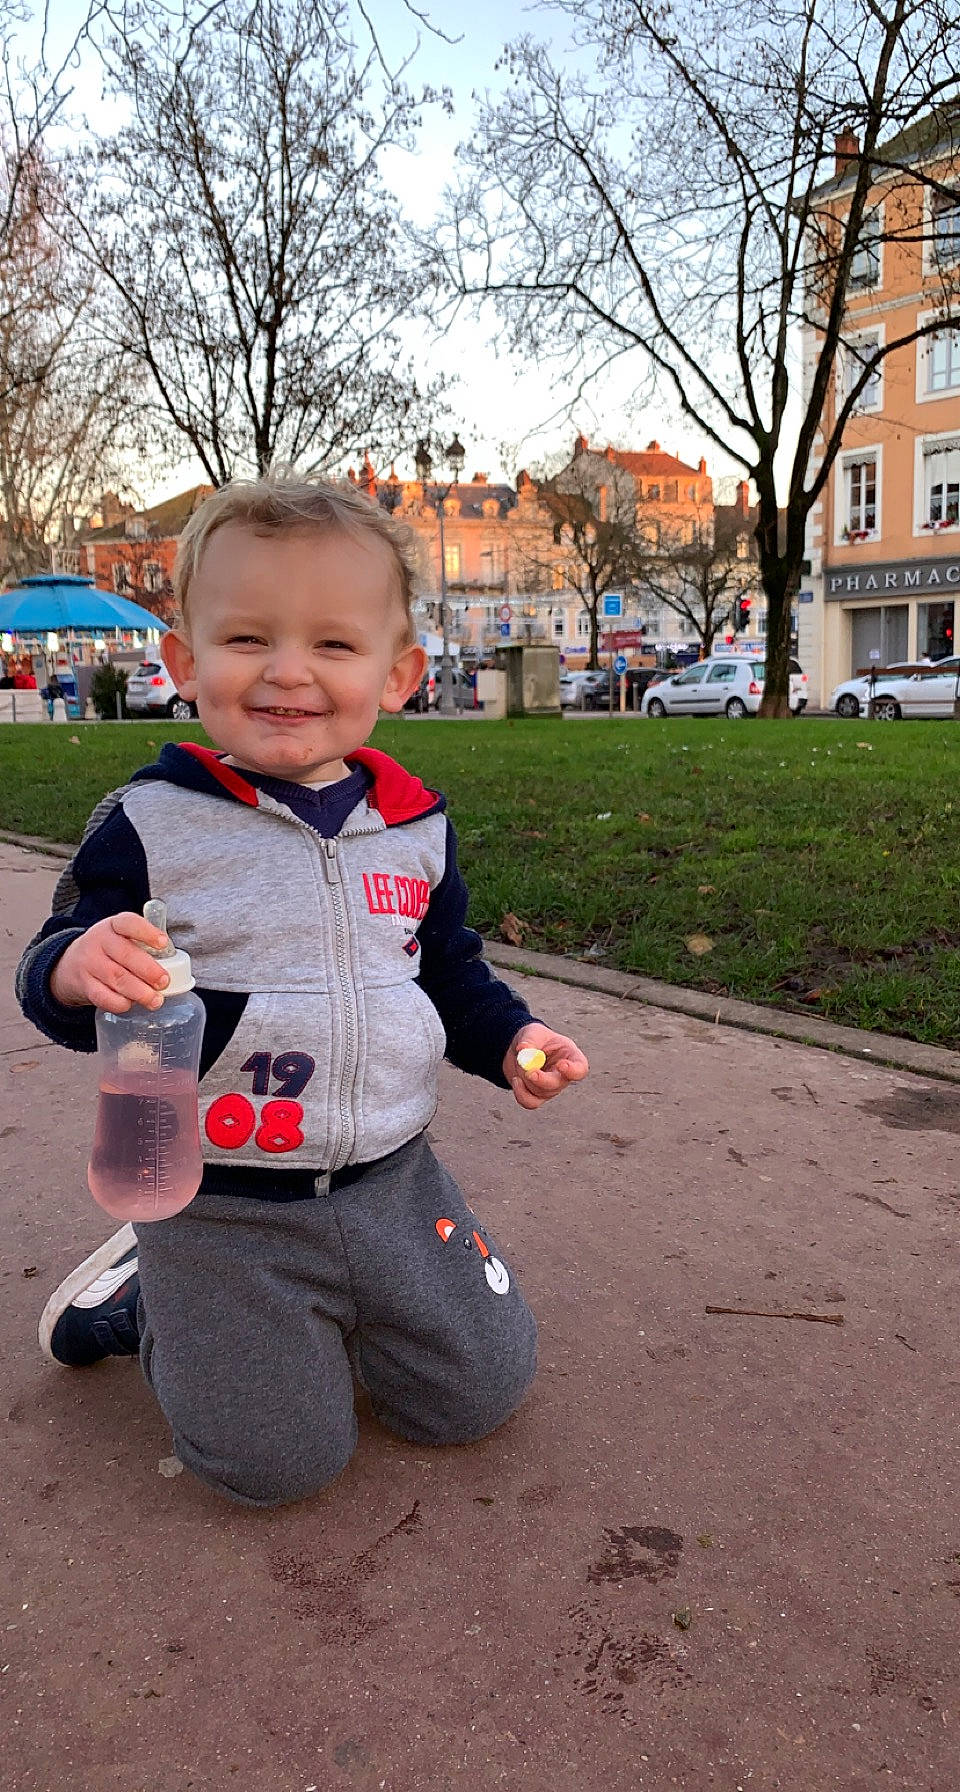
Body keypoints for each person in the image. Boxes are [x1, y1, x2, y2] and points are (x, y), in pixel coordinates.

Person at [16, 475, 589, 1508]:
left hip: (394, 1182)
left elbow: (449, 969)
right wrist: (74, 964)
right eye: (247, 639)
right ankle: (150, 1300)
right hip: (219, 1202)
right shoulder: (150, 821)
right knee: (273, 1467)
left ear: (398, 673)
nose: (288, 670)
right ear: (185, 662)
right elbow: (52, 962)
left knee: (475, 1394)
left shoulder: (415, 825)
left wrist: (514, 1039)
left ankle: (317, 1322)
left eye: (332, 642)